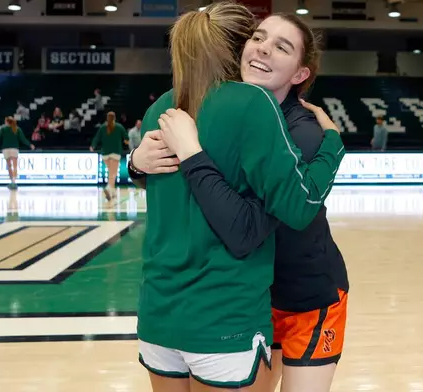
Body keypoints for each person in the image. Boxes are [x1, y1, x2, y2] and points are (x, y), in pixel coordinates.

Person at [130, 13, 348, 392]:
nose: (263, 47)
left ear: (300, 74)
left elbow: (295, 208)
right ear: (240, 47)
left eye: (282, 46)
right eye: (258, 37)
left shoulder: (305, 132)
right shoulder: (225, 106)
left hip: (302, 293)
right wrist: (136, 163)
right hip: (247, 298)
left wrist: (333, 142)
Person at [0, 116, 35, 190]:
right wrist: (30, 144)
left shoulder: (3, 128)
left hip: (6, 149)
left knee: (9, 166)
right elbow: (23, 139)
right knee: (15, 166)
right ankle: (14, 181)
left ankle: (11, 181)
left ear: (7, 122)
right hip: (14, 149)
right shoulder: (17, 129)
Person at [90, 111, 128, 201]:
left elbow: (96, 138)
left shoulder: (103, 127)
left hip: (105, 155)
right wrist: (125, 142)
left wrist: (92, 146)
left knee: (111, 173)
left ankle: (113, 192)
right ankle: (108, 188)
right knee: (112, 173)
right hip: (115, 154)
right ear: (115, 118)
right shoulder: (119, 127)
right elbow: (126, 139)